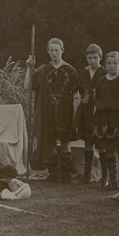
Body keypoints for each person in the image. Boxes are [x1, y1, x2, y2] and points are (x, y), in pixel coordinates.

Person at [24, 38, 79, 182]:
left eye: (57, 50)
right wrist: (29, 68)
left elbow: (75, 94)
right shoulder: (43, 70)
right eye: (51, 50)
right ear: (48, 52)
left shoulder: (70, 70)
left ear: (62, 50)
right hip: (47, 110)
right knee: (51, 142)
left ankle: (66, 175)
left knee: (66, 142)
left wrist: (75, 113)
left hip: (65, 109)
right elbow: (27, 86)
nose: (54, 53)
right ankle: (54, 174)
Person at [92, 51, 119, 192]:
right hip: (105, 121)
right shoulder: (101, 81)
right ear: (105, 64)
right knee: (109, 151)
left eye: (115, 63)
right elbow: (97, 102)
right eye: (109, 63)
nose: (111, 66)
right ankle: (114, 183)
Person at [74, 43, 108, 185]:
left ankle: (104, 177)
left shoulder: (105, 73)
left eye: (95, 58)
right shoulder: (82, 74)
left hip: (99, 111)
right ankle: (87, 176)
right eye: (89, 58)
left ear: (100, 58)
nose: (92, 61)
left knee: (101, 144)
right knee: (88, 143)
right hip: (86, 110)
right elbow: (79, 91)